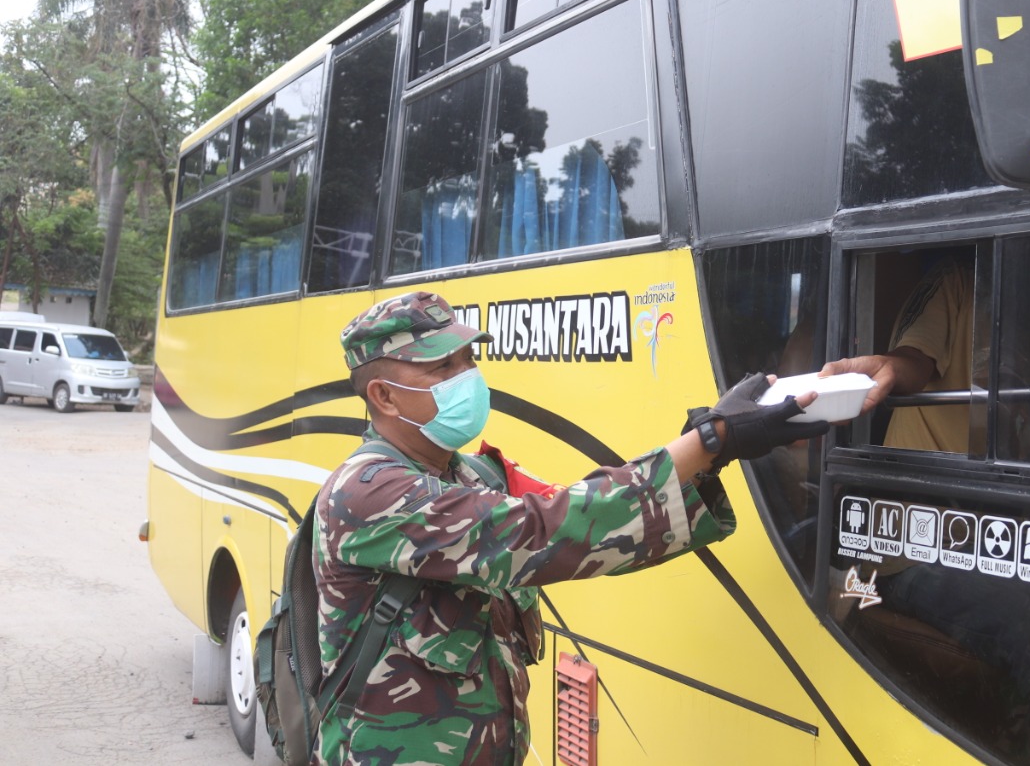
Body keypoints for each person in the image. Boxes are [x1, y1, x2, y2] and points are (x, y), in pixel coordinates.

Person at [311, 290, 828, 765]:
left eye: (469, 359)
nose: (466, 376)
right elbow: (544, 532)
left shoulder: (470, 474)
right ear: (384, 396)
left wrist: (711, 450)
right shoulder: (366, 493)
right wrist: (710, 439)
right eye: (443, 366)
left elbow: (588, 518)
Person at [820, 254, 974, 452]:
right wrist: (889, 369)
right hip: (919, 471)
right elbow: (916, 357)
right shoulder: (956, 280)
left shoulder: (1021, 310)